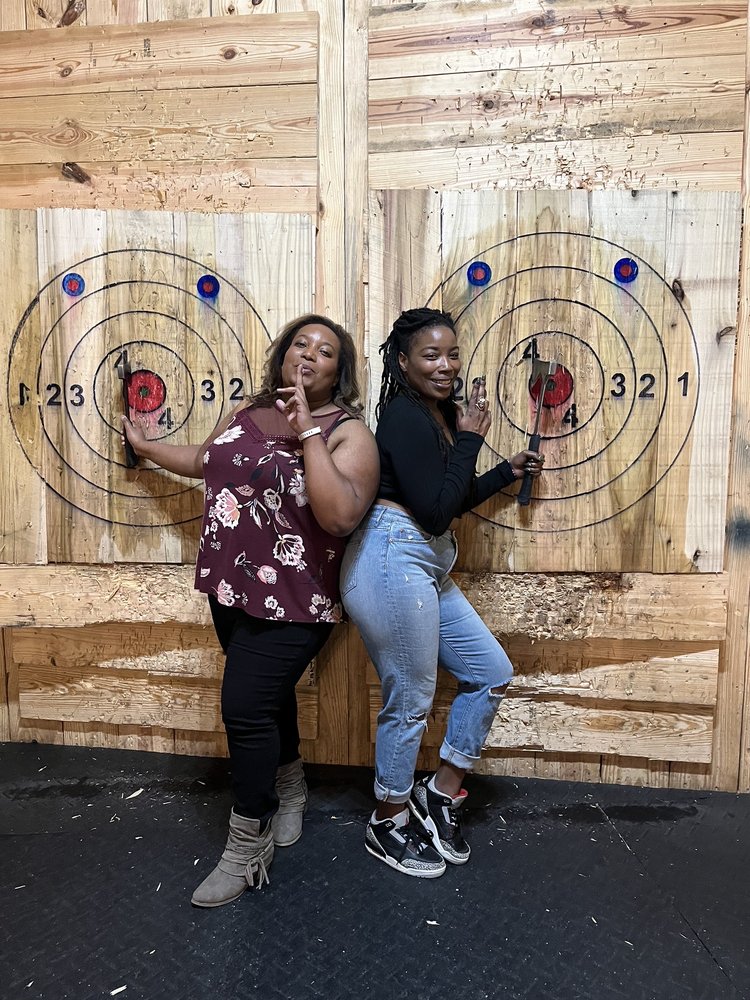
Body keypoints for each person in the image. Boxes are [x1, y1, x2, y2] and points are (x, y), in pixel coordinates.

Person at [122, 314, 379, 907]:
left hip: (296, 602)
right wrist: (148, 447)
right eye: (301, 344)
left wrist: (307, 432)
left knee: (243, 708)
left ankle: (247, 843)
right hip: (230, 589)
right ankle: (290, 787)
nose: (309, 355)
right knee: (267, 702)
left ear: (339, 372)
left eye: (326, 352)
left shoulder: (349, 433)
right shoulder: (245, 412)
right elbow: (207, 461)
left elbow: (340, 515)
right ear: (284, 355)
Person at [341, 307, 544, 878]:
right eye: (431, 355)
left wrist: (502, 472)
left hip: (420, 559)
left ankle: (441, 791)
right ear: (403, 362)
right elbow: (432, 512)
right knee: (410, 697)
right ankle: (387, 819)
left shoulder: (433, 415)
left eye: (452, 353)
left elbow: (443, 498)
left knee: (490, 670)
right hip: (391, 555)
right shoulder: (404, 417)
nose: (446, 365)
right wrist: (473, 438)